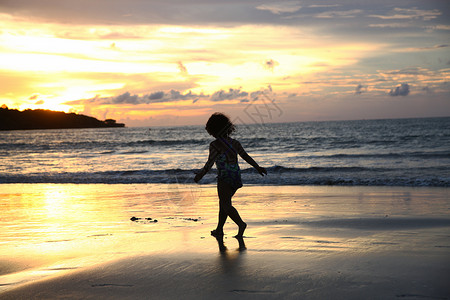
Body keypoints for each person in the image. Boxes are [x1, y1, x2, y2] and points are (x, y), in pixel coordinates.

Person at [194, 113, 267, 238]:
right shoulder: (235, 143)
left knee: (226, 204)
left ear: (213, 129)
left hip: (224, 178)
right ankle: (219, 229)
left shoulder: (214, 145)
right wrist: (257, 167)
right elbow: (245, 156)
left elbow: (210, 163)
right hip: (236, 177)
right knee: (223, 203)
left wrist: (200, 174)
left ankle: (241, 224)